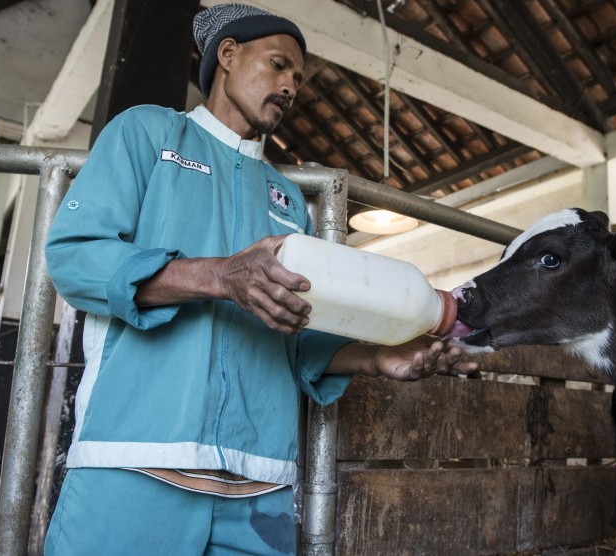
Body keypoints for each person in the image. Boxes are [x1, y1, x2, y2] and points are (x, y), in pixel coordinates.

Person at [43, 4, 478, 554]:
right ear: (227, 55)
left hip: (260, 485)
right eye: (278, 65)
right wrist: (221, 276)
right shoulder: (148, 133)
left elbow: (294, 332)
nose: (290, 85)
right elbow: (75, 259)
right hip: (135, 459)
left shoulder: (288, 198)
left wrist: (377, 358)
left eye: (297, 77)